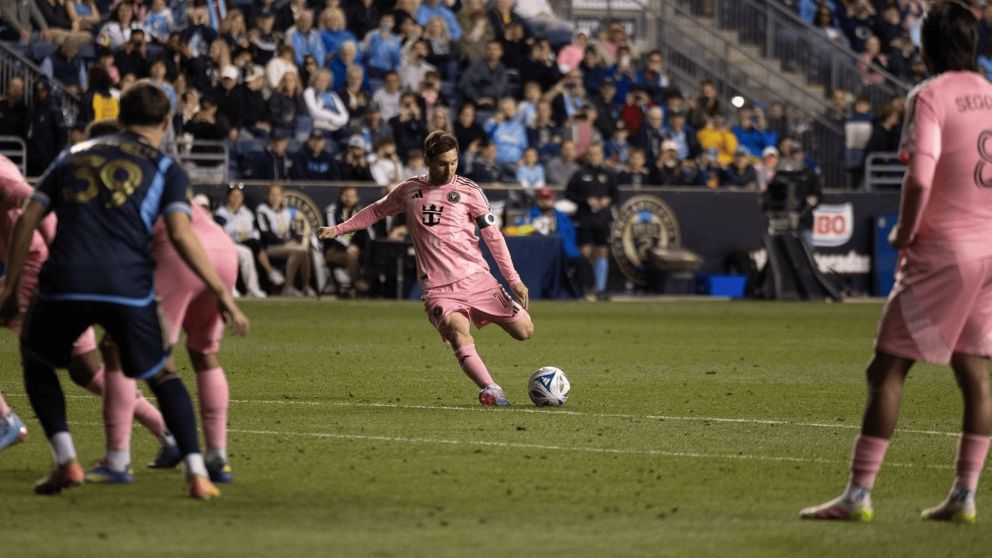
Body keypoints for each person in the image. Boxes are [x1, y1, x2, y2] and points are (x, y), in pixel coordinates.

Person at [0, 83, 248, 498]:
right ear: (167, 122)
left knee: (37, 358)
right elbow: (181, 233)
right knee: (163, 371)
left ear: (118, 120)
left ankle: (69, 460)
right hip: (127, 284)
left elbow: (28, 217)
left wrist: (10, 287)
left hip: (66, 278)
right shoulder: (167, 168)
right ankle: (197, 470)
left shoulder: (71, 156)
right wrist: (220, 292)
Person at [801, 2, 992, 523]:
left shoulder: (929, 95)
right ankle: (964, 495)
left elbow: (921, 175)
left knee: (885, 369)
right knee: (975, 371)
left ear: (927, 47)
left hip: (944, 249)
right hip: (989, 247)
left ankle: (858, 496)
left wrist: (906, 231)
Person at [317, 131, 534, 405]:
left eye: (454, 162)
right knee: (457, 331)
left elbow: (493, 237)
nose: (450, 168)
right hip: (439, 288)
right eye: (443, 163)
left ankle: (475, 322)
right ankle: (490, 388)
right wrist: (338, 230)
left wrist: (513, 279)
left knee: (525, 331)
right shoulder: (409, 190)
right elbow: (375, 211)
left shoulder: (470, 191)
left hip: (477, 279)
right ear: (428, 160)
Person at [0, 153, 171, 457]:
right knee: (85, 370)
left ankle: (5, 421)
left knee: (48, 365)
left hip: (33, 267)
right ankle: (167, 431)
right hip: (36, 265)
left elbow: (38, 210)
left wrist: (57, 262)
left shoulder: (2, 177)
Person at [565, 143, 618, 300]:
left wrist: (608, 200)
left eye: (596, 153)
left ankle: (600, 289)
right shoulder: (580, 174)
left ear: (601, 155)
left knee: (602, 252)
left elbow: (616, 195)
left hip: (602, 219)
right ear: (587, 156)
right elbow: (569, 194)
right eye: (591, 154)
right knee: (585, 252)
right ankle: (584, 288)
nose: (594, 156)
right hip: (585, 218)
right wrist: (585, 200)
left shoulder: (608, 175)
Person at [256, 183, 314, 297]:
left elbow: (292, 231)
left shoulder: (286, 212)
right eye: (272, 194)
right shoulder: (262, 210)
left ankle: (306, 286)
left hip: (286, 246)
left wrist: (293, 240)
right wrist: (285, 242)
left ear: (282, 196)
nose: (275, 197)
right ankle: (288, 287)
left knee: (304, 250)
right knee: (298, 251)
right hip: (270, 247)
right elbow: (265, 233)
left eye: (277, 195)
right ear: (268, 196)